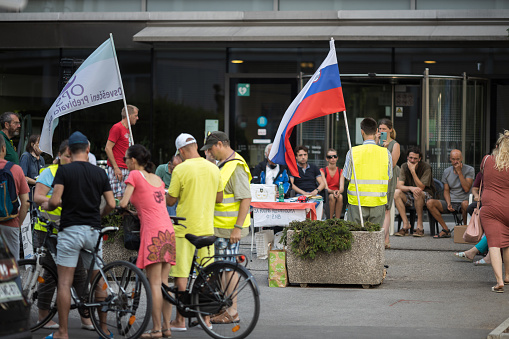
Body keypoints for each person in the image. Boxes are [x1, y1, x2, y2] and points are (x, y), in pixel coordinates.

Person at [46, 131, 116, 339]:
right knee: (99, 282)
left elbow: (55, 200)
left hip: (70, 230)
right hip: (93, 231)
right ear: (87, 149)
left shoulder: (64, 171)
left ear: (68, 150)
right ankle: (103, 329)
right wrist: (99, 214)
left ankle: (63, 332)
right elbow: (112, 204)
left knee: (64, 282)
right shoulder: (100, 173)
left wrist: (48, 203)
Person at [33, 140, 93, 331]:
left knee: (79, 274)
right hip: (48, 230)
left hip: (70, 229)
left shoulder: (76, 173)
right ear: (60, 155)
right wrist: (58, 201)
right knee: (51, 274)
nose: (72, 159)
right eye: (68, 155)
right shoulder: (49, 172)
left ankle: (86, 316)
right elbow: (38, 197)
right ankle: (43, 316)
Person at [120, 144, 176, 339]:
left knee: (153, 284)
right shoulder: (158, 179)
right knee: (164, 283)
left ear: (133, 161)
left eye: (126, 159)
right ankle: (167, 328)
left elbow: (123, 203)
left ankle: (156, 330)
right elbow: (151, 205)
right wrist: (139, 212)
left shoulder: (134, 175)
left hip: (153, 233)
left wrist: (120, 206)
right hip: (167, 231)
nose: (125, 163)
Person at [167, 133, 222, 331]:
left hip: (184, 230)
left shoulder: (180, 169)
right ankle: (206, 319)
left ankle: (180, 321)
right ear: (196, 145)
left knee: (181, 274)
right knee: (206, 274)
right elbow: (219, 198)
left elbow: (171, 201)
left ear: (180, 151)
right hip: (207, 228)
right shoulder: (213, 167)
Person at [200, 131, 251, 324]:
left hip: (230, 230)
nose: (210, 153)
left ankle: (232, 311)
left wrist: (237, 228)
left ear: (220, 144)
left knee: (229, 270)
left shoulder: (236, 166)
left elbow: (246, 198)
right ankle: (226, 308)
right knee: (224, 269)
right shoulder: (224, 164)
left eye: (211, 149)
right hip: (222, 229)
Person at [341, 117, 392, 227]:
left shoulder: (352, 152)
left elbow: (347, 177)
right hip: (378, 201)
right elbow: (389, 177)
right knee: (375, 238)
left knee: (355, 237)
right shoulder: (386, 153)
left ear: (362, 131)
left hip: (356, 201)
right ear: (377, 132)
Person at [478, 130, 509, 292]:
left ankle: (499, 282)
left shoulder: (487, 160)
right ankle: (508, 275)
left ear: (497, 146)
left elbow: (483, 176)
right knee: (508, 242)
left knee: (495, 244)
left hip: (490, 207)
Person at [426, 149, 474, 238]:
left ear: (462, 158)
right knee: (430, 203)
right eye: (453, 159)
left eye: (458, 159)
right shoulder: (447, 171)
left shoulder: (469, 170)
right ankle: (445, 229)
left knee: (465, 204)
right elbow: (446, 190)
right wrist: (448, 203)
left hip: (464, 201)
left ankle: (465, 230)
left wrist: (459, 172)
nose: (456, 162)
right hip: (451, 201)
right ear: (450, 159)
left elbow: (467, 188)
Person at [394, 147, 434, 238]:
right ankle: (406, 224)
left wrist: (413, 171)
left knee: (418, 192)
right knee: (396, 192)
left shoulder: (426, 167)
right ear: (407, 157)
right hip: (409, 195)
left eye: (415, 158)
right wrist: (410, 188)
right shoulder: (404, 166)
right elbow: (399, 185)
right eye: (410, 158)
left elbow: (421, 187)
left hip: (425, 195)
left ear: (419, 159)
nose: (412, 160)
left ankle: (420, 225)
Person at [0, 135, 29, 261]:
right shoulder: (15, 169)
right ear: (3, 148)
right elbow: (26, 202)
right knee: (12, 267)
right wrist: (18, 223)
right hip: (10, 224)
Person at [105, 104, 139, 199]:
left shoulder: (129, 130)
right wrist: (115, 168)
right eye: (135, 115)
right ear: (129, 115)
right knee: (117, 198)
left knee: (126, 198)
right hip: (117, 168)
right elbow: (108, 148)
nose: (137, 118)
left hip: (126, 168)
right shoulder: (117, 127)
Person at [376, 119, 400, 247]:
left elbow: (392, 164)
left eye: (384, 129)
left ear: (390, 130)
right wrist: (376, 142)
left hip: (388, 179)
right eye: (380, 129)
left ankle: (385, 239)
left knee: (386, 209)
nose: (381, 131)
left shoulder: (395, 145)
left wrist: (385, 149)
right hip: (375, 178)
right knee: (378, 209)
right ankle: (384, 240)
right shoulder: (376, 143)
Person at [320, 148, 344, 219]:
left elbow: (342, 187)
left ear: (337, 158)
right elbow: (325, 187)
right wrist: (334, 192)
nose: (332, 158)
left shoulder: (341, 171)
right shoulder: (323, 171)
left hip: (337, 193)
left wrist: (338, 192)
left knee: (340, 197)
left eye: (334, 156)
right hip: (327, 194)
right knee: (332, 197)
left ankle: (337, 220)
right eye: (330, 157)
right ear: (327, 159)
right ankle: (330, 220)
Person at [20, 134, 45, 199]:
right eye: (39, 143)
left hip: (40, 193)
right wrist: (37, 182)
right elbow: (23, 177)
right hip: (29, 192)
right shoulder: (26, 157)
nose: (41, 146)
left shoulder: (41, 159)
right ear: (32, 144)